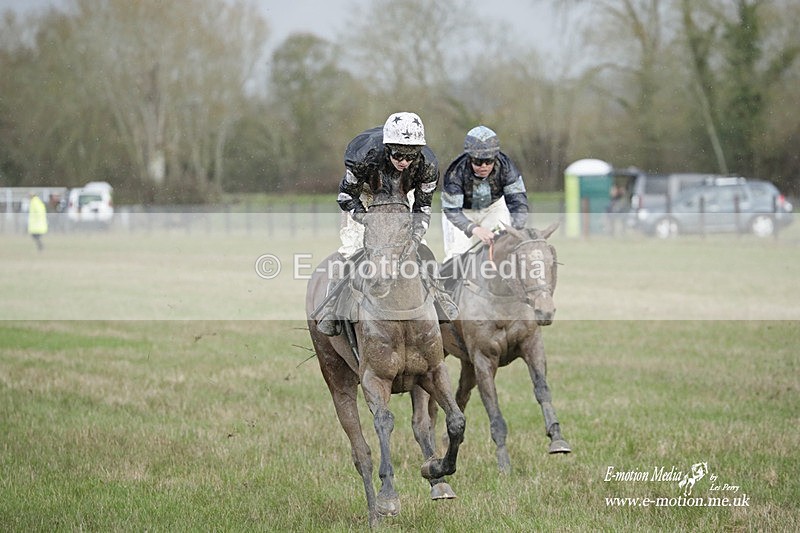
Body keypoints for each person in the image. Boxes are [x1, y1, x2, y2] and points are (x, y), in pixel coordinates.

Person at [316, 111, 458, 336]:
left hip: (401, 199)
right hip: (364, 196)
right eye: (399, 155)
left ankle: (440, 296)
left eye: (410, 156)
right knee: (351, 248)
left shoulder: (428, 166)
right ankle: (331, 308)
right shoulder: (364, 157)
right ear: (388, 148)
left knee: (421, 249)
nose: (404, 162)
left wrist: (414, 238)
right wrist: (368, 220)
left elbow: (422, 209)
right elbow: (345, 197)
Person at [441, 126, 529, 261]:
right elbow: (452, 210)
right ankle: (451, 280)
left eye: (489, 161)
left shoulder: (507, 167)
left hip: (493, 208)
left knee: (504, 248)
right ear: (469, 158)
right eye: (478, 161)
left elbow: (519, 203)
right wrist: (473, 228)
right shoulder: (455, 172)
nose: (484, 166)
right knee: (458, 254)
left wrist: (516, 229)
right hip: (461, 212)